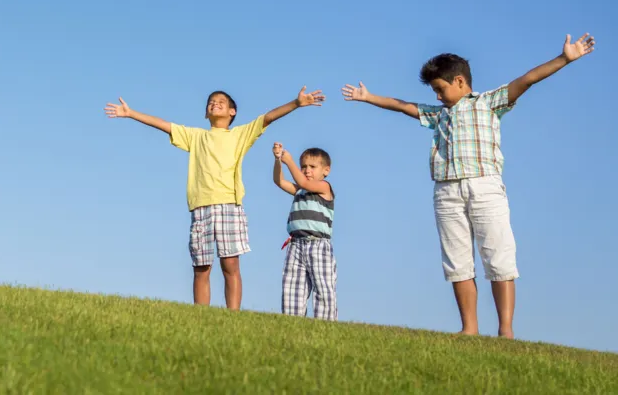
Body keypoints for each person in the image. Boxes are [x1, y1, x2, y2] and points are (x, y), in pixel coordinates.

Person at [341, 33, 596, 338]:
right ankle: (469, 329)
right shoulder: (439, 114)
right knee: (457, 261)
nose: (436, 96)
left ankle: (505, 331)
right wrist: (369, 97)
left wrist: (564, 58)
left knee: (498, 256)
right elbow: (405, 106)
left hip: (485, 187)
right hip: (446, 191)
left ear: (460, 81)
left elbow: (527, 80)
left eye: (440, 89)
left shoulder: (489, 102)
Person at [104, 87, 325, 310]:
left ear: (232, 111)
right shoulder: (196, 136)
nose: (214, 103)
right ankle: (202, 315)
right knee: (201, 267)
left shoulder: (240, 134)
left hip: (230, 205)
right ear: (205, 113)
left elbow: (268, 117)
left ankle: (233, 315)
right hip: (201, 208)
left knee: (230, 264)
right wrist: (131, 113)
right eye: (210, 102)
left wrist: (296, 103)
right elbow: (163, 125)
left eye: (221, 101)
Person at [272, 142, 337, 320]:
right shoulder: (300, 190)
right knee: (293, 287)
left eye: (312, 167)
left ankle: (326, 325)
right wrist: (278, 161)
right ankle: (292, 323)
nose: (307, 170)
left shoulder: (325, 187)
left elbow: (301, 181)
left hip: (318, 245)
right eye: (304, 167)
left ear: (326, 170)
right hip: (296, 244)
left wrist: (290, 161)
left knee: (323, 288)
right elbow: (279, 181)